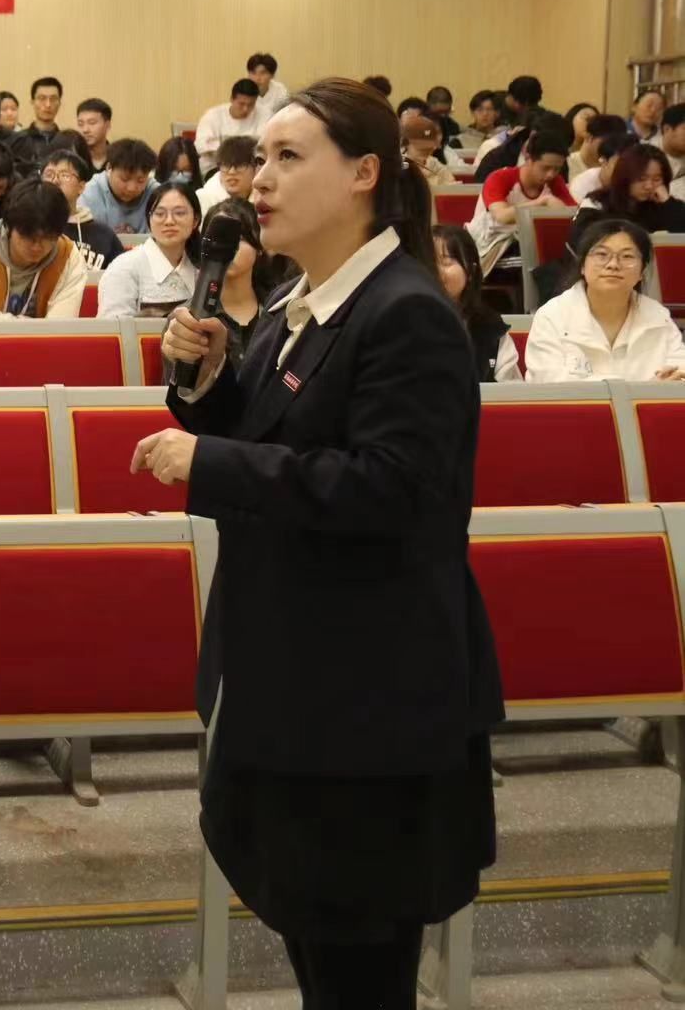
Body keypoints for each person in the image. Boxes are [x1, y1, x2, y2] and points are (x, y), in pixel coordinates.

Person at [136, 77, 502, 1010]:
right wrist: (208, 385)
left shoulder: (404, 313)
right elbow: (279, 434)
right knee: (322, 955)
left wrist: (208, 460)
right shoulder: (308, 301)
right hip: (301, 682)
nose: (259, 179)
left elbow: (393, 488)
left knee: (358, 974)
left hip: (367, 700)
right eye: (260, 157)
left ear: (364, 174)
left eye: (288, 157)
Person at [528, 218, 685, 382]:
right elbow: (549, 384)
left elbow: (680, 370)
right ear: (582, 266)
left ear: (642, 271)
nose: (613, 264)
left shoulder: (659, 318)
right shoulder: (552, 316)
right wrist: (640, 389)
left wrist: (675, 382)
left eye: (627, 256)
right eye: (602, 255)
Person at [0, 177, 88, 320]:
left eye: (48, 238)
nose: (37, 246)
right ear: (9, 227)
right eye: (27, 236)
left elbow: (60, 325)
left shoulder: (69, 258)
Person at [465, 117, 574, 276]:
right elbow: (502, 216)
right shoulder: (500, 178)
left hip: (527, 244)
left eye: (557, 169)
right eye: (545, 168)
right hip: (491, 246)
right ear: (528, 158)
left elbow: (573, 213)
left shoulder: (555, 182)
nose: (551, 174)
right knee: (539, 263)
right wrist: (542, 202)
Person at [96, 182, 200, 318]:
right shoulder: (124, 268)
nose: (169, 221)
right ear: (149, 219)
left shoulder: (203, 268)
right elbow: (114, 328)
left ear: (195, 220)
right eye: (160, 214)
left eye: (179, 213)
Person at [433, 225, 520, 383]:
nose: (436, 271)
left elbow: (510, 391)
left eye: (446, 262)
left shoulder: (491, 329)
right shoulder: (407, 325)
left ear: (471, 271)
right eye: (428, 262)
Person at [192, 198, 269, 372]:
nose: (229, 248)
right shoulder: (188, 317)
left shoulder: (279, 312)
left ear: (259, 246)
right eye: (218, 239)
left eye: (239, 238)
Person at [570, 143, 685, 247]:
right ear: (625, 176)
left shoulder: (666, 207)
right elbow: (580, 241)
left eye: (656, 179)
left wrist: (668, 203)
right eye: (642, 179)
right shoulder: (596, 202)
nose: (649, 186)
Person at [43, 149, 125, 273]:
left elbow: (122, 276)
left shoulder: (103, 235)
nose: (55, 181)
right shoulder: (32, 227)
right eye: (49, 175)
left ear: (81, 187)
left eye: (65, 175)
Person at [78, 137, 159, 233]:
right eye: (125, 179)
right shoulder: (90, 194)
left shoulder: (156, 194)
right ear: (109, 168)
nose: (131, 188)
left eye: (140, 181)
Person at [195, 79, 265, 167]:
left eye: (251, 105)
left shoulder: (264, 115)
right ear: (232, 99)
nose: (245, 109)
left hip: (251, 167)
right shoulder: (213, 116)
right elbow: (201, 146)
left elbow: (266, 145)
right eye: (241, 104)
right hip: (215, 166)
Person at [568, 112, 629, 196]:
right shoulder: (567, 163)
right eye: (607, 142)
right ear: (589, 137)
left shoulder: (618, 167)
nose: (610, 147)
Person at [196, 136, 261, 214]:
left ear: (256, 168)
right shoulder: (203, 199)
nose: (231, 172)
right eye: (226, 165)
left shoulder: (266, 198)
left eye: (239, 165)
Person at [11, 75, 63, 167]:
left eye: (53, 99)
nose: (48, 104)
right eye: (42, 98)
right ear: (32, 102)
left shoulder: (68, 142)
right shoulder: (17, 141)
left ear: (59, 103)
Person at [401, 114, 455, 185]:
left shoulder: (437, 166)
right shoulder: (399, 166)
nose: (425, 150)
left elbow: (452, 186)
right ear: (407, 143)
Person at [72, 98, 112, 171]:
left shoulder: (118, 160)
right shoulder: (73, 160)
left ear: (107, 125)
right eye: (80, 124)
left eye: (92, 123)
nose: (85, 130)